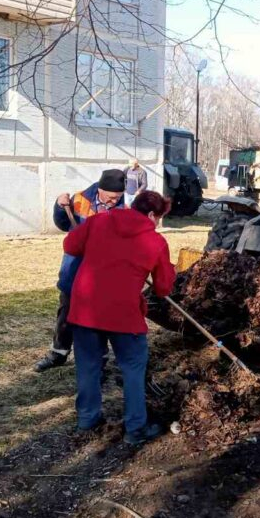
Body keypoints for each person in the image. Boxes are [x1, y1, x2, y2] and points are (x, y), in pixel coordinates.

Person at [64, 191, 176, 444]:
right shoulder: (155, 242)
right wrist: (164, 270)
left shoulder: (99, 220)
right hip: (123, 314)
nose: (157, 223)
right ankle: (135, 428)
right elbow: (163, 288)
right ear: (150, 215)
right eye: (158, 218)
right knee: (133, 367)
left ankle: (86, 419)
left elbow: (70, 246)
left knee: (88, 366)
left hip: (85, 309)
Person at [34, 169, 127, 373]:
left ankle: (99, 360)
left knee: (99, 318)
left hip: (101, 276)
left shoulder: (122, 211)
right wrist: (59, 207)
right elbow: (63, 224)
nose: (114, 201)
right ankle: (58, 353)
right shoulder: (78, 200)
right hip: (74, 268)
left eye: (118, 198)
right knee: (66, 311)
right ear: (100, 190)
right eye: (111, 197)